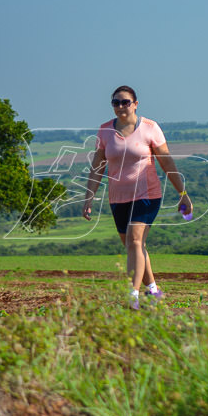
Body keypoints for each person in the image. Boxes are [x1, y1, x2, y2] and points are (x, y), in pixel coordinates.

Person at [83, 85, 192, 309]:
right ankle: (153, 289)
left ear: (135, 104)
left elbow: (167, 162)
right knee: (133, 246)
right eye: (116, 102)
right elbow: (97, 167)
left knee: (135, 240)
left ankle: (132, 295)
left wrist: (183, 193)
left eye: (125, 102)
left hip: (147, 195)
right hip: (118, 198)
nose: (121, 106)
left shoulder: (150, 128)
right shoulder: (105, 131)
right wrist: (89, 197)